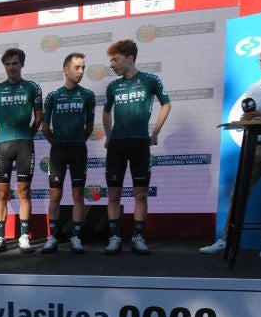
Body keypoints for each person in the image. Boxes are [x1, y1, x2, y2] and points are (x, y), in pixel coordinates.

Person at [200, 44, 261, 257]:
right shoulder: (253, 88)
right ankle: (225, 240)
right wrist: (248, 119)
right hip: (253, 146)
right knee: (237, 194)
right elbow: (248, 115)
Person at [102, 39, 171, 255]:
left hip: (140, 143)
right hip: (117, 146)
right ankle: (114, 237)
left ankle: (138, 237)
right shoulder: (113, 86)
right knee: (114, 194)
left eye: (115, 60)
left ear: (129, 58)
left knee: (140, 194)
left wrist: (156, 132)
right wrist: (109, 135)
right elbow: (106, 112)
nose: (111, 65)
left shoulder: (151, 80)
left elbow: (166, 104)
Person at [0, 48, 43, 253]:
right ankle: (0, 236)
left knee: (23, 192)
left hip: (24, 145)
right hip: (2, 145)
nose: (11, 67)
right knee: (2, 193)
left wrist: (28, 135)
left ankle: (24, 236)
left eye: (15, 63)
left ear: (21, 65)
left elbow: (38, 117)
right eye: (8, 64)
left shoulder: (32, 87)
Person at [40, 52, 96, 254]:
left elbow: (89, 126)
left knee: (78, 193)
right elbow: (45, 127)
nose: (81, 71)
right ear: (66, 69)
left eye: (83, 67)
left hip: (78, 149)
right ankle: (52, 237)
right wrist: (57, 143)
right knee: (55, 194)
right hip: (58, 151)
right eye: (77, 67)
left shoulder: (87, 95)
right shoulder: (53, 96)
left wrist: (78, 141)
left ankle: (76, 237)